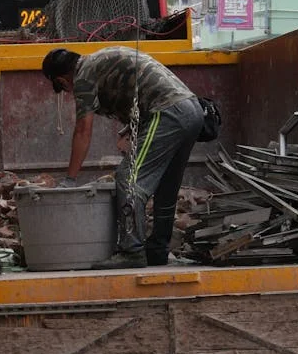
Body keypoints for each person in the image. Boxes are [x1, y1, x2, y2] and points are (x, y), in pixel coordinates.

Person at [42, 47, 204, 269]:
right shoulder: (100, 60)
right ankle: (157, 251)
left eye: (63, 88)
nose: (68, 92)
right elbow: (143, 87)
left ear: (62, 80)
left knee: (128, 178)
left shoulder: (83, 76)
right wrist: (132, 128)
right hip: (191, 111)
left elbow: (82, 130)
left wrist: (69, 179)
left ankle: (132, 251)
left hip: (167, 113)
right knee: (166, 187)